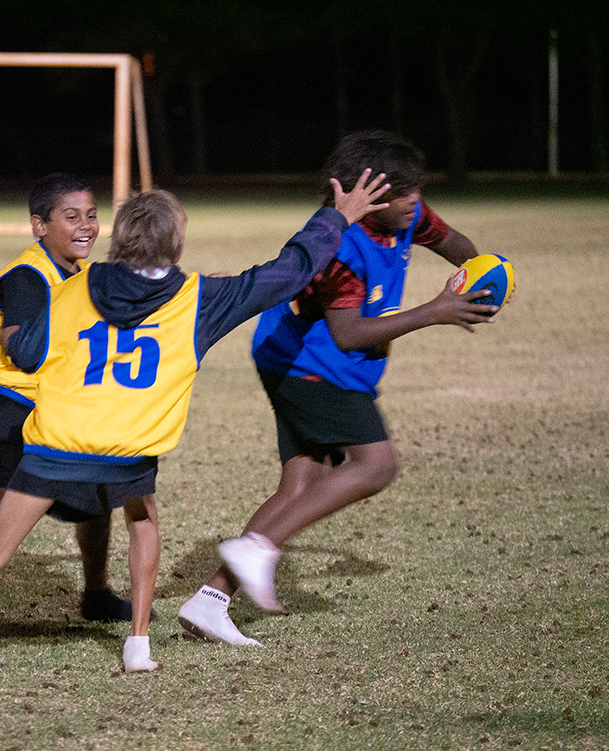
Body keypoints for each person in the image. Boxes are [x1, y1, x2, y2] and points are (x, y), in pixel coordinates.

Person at [0, 169, 391, 688]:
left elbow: (29, 352)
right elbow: (287, 273)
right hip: (127, 449)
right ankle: (138, 646)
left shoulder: (74, 288)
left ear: (120, 237)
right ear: (176, 242)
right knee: (142, 518)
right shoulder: (198, 298)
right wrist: (334, 219)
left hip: (57, 441)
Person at [178, 129, 500, 646]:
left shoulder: (406, 213)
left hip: (316, 362)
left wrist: (482, 273)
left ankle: (210, 602)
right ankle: (257, 547)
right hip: (305, 366)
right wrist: (435, 311)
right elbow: (348, 334)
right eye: (403, 192)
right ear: (366, 194)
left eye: (417, 188)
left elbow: (452, 241)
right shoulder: (340, 246)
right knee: (376, 465)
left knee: (300, 486)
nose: (414, 200)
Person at [0, 172, 137, 649]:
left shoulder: (81, 274)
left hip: (44, 408)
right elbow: (17, 343)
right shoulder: (29, 274)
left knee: (97, 488)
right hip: (0, 403)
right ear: (38, 226)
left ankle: (97, 594)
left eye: (90, 215)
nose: (85, 225)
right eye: (70, 217)